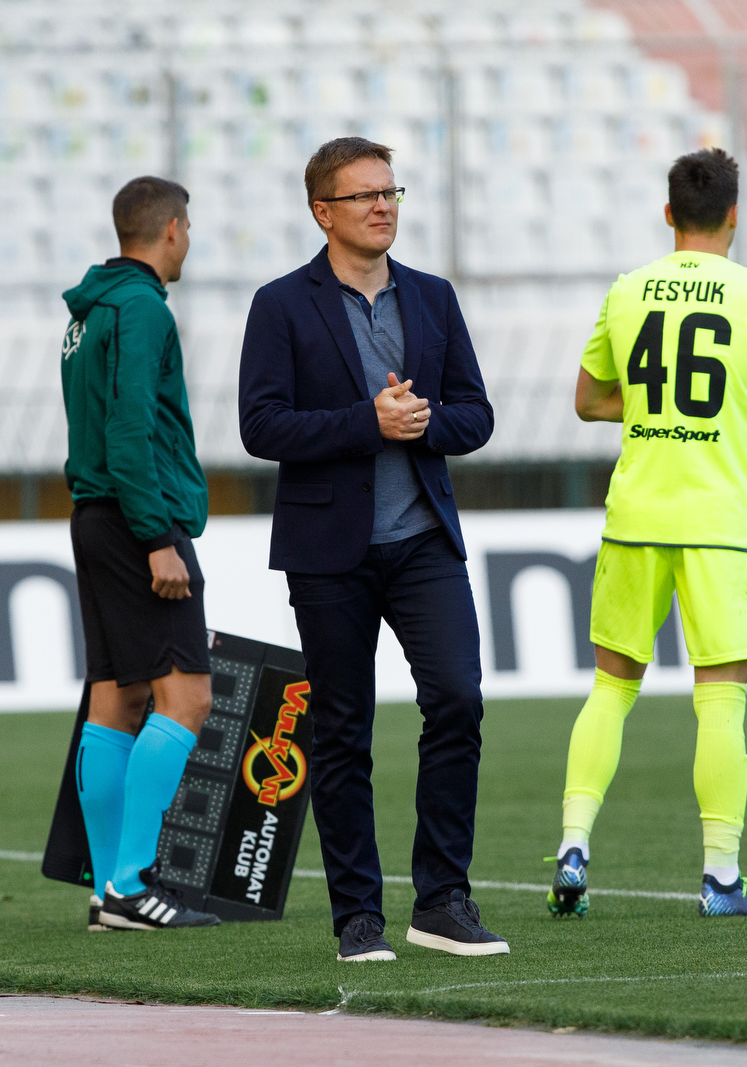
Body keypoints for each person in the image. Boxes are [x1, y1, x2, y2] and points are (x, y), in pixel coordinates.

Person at [549, 148, 747, 920]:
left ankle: (573, 845)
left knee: (611, 687)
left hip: (636, 515)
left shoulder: (627, 291)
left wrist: (661, 409)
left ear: (669, 213)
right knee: (720, 703)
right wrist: (744, 404)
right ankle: (720, 881)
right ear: (736, 216)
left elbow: (588, 400)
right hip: (716, 525)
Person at [237, 138, 503, 963]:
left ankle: (443, 899)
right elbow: (261, 425)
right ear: (323, 211)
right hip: (328, 549)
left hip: (424, 537)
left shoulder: (432, 296)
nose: (383, 205)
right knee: (344, 731)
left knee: (456, 698)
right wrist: (367, 422)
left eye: (391, 191)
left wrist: (425, 422)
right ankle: (358, 916)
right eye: (364, 196)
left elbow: (476, 414)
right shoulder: (281, 303)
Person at [61, 176, 217, 932]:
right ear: (172, 230)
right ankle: (127, 882)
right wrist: (158, 537)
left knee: (116, 696)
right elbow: (130, 430)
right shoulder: (142, 307)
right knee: (185, 697)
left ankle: (108, 892)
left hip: (95, 515)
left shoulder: (90, 312)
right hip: (135, 520)